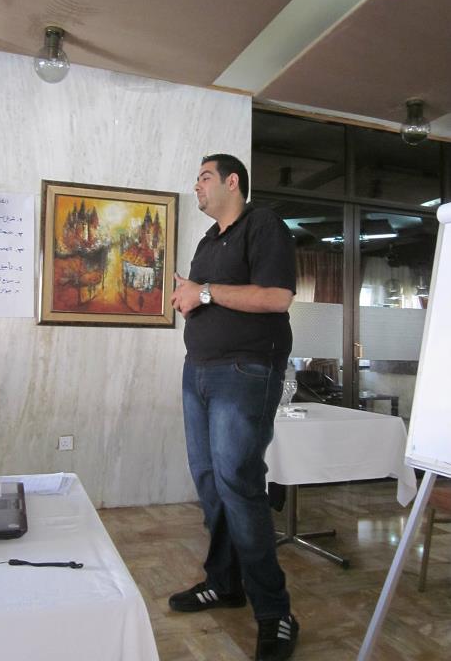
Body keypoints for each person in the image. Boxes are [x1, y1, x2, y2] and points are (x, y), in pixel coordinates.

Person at [170, 154, 298, 661]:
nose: (197, 186)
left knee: (239, 485)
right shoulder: (208, 241)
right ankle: (224, 583)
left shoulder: (262, 225)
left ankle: (275, 613)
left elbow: (276, 297)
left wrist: (202, 292)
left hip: (245, 372)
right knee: (208, 481)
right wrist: (190, 297)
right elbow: (210, 299)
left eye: (204, 177)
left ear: (232, 181)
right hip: (198, 371)